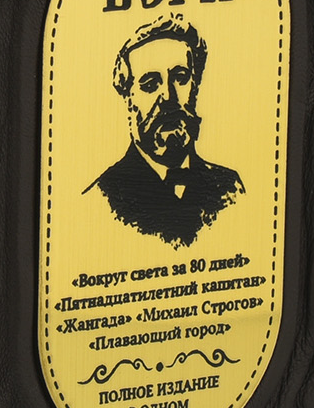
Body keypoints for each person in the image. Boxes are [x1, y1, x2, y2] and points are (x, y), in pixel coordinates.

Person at [85, 14, 242, 247]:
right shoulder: (101, 200)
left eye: (180, 78)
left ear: (195, 85)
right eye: (150, 84)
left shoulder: (230, 188)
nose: (169, 96)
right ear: (128, 98)